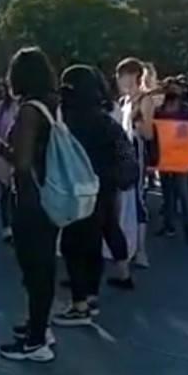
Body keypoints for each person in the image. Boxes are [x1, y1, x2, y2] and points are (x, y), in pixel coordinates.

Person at [51, 64, 138, 328]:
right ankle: (90, 296)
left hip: (74, 190)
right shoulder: (106, 121)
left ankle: (79, 306)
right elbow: (126, 158)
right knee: (94, 243)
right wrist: (116, 180)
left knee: (72, 245)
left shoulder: (64, 122)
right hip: (104, 188)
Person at [0, 47, 59, 362]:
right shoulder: (52, 105)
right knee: (43, 265)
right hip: (49, 195)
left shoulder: (29, 111)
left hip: (31, 198)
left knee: (34, 266)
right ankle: (39, 327)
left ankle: (35, 340)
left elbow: (22, 160)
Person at [115, 57, 155, 269]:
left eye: (121, 75)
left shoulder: (144, 100)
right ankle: (128, 245)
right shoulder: (125, 101)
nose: (119, 80)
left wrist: (137, 121)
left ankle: (141, 251)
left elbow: (148, 133)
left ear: (131, 76)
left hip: (137, 151)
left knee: (138, 198)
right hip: (125, 151)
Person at [154, 77, 188, 244]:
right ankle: (168, 225)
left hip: (180, 158)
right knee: (167, 194)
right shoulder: (159, 109)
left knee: (183, 194)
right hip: (164, 156)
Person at [0, 79, 19, 241]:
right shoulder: (0, 108)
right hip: (3, 155)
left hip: (20, 156)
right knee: (5, 193)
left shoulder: (26, 107)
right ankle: (7, 227)